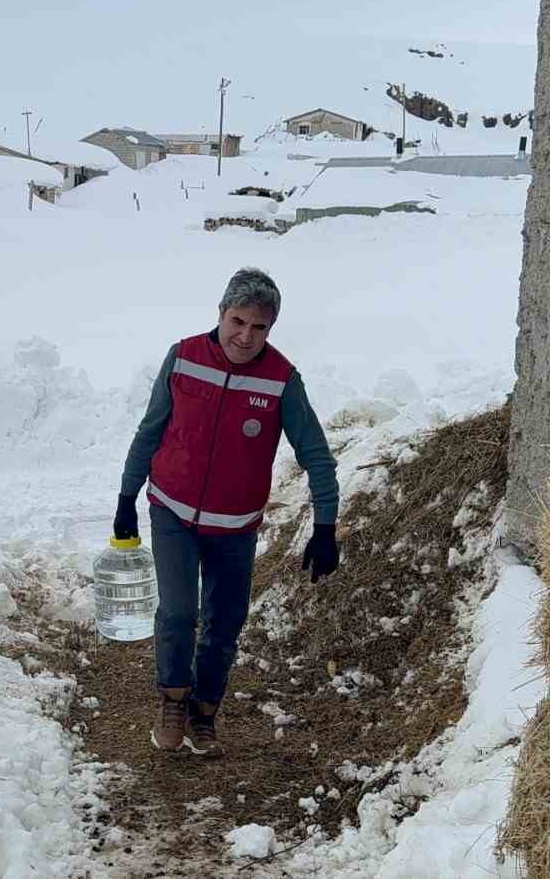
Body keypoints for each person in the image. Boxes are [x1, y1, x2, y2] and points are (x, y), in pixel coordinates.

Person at [114, 268, 340, 757]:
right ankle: (173, 699)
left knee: (224, 623)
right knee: (178, 613)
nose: (245, 336)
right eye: (237, 321)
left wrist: (326, 524)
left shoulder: (282, 380)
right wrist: (126, 498)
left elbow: (316, 454)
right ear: (220, 313)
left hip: (235, 528)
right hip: (172, 511)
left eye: (259, 328)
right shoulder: (184, 358)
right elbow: (150, 430)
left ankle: (205, 713)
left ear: (271, 328)